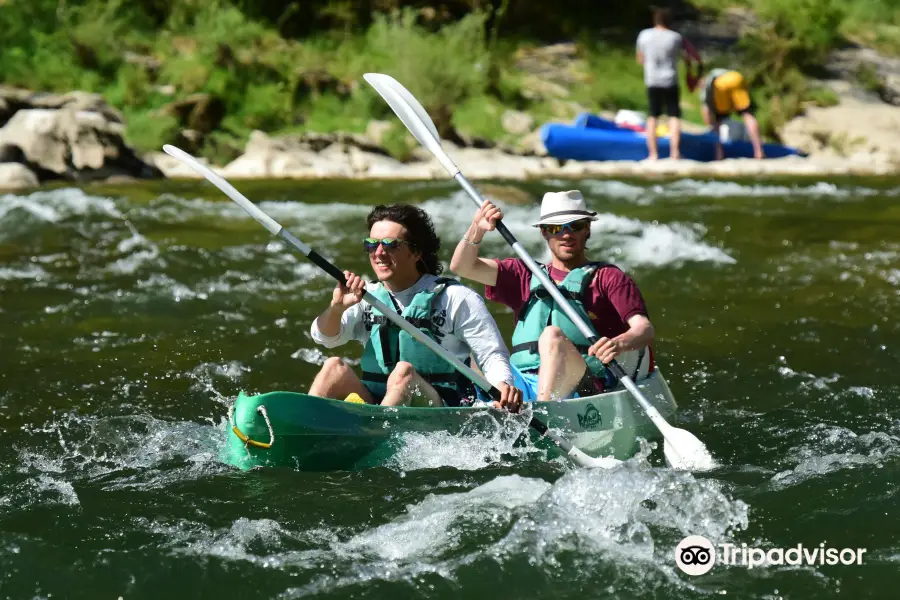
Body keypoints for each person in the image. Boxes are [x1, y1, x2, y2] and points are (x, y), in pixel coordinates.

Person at [308, 203, 522, 411]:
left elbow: (491, 353)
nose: (379, 253)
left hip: (441, 410)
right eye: (372, 244)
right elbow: (325, 338)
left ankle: (375, 436)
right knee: (333, 367)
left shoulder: (455, 298)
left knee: (404, 373)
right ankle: (298, 430)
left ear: (416, 252)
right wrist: (337, 308)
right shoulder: (366, 297)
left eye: (390, 244)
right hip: (378, 404)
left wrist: (503, 384)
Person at [449, 190, 656, 403]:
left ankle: (542, 411)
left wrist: (618, 344)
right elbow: (462, 266)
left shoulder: (608, 278)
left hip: (582, 385)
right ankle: (489, 407)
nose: (566, 235)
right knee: (469, 348)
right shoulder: (523, 274)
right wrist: (477, 229)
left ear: (587, 228)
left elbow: (644, 330)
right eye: (557, 228)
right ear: (544, 232)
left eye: (575, 226)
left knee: (552, 337)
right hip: (521, 382)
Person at [635, 7, 703, 160]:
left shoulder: (644, 35)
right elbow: (686, 58)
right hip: (670, 80)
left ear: (655, 20)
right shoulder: (675, 37)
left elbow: (640, 59)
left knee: (653, 116)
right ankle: (675, 153)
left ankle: (653, 154)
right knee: (674, 116)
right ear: (669, 22)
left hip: (652, 79)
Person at [699, 68, 765, 160]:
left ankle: (719, 154)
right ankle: (759, 151)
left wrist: (709, 125)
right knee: (747, 114)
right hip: (737, 77)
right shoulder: (717, 71)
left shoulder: (707, 85)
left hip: (721, 84)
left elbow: (706, 110)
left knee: (717, 120)